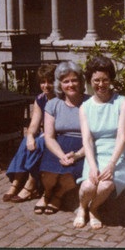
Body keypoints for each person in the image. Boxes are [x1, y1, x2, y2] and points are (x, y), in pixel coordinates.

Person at [74, 56, 125, 230]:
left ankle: (93, 209)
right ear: (90, 81)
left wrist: (112, 165)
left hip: (118, 153)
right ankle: (82, 208)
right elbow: (87, 139)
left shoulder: (122, 102)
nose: (101, 84)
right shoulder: (85, 107)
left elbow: (122, 136)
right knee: (87, 187)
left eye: (105, 80)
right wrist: (92, 166)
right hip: (95, 153)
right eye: (96, 80)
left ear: (111, 80)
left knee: (105, 185)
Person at [36, 61, 88, 215]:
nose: (70, 85)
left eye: (74, 80)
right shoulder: (53, 104)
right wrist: (61, 156)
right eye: (66, 81)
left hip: (82, 146)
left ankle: (57, 196)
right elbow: (50, 137)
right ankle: (46, 193)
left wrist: (78, 155)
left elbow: (93, 137)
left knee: (69, 176)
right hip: (58, 144)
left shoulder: (90, 103)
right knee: (47, 174)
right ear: (60, 84)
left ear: (81, 82)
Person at [3, 65, 56, 208]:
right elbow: (34, 123)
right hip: (45, 134)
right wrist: (30, 135)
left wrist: (45, 134)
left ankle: (30, 185)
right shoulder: (40, 99)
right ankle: (16, 183)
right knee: (27, 140)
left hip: (57, 136)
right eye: (43, 82)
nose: (46, 85)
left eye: (50, 81)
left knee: (40, 142)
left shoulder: (61, 99)